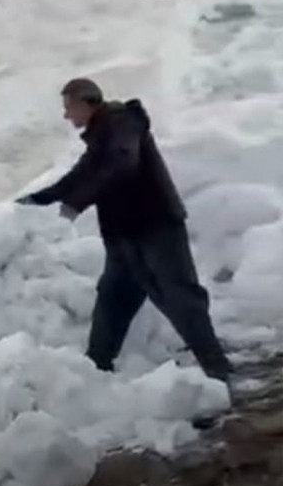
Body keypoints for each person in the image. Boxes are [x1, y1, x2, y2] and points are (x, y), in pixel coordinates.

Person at [16, 77, 235, 390]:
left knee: (178, 295)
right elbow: (78, 177)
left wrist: (77, 203)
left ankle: (218, 370)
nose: (66, 116)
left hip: (156, 226)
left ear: (86, 103)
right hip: (124, 235)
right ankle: (96, 372)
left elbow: (122, 165)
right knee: (113, 299)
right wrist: (34, 201)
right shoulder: (99, 137)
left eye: (68, 108)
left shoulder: (122, 123)